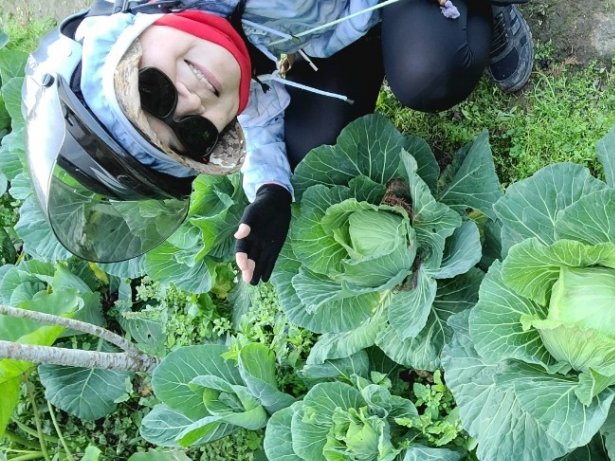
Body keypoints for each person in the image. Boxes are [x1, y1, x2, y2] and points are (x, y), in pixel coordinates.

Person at [21, 0, 534, 282]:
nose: (192, 100)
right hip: (343, 19)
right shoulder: (207, 50)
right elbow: (260, 109)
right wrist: (271, 191)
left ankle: (479, 10)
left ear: (129, 35)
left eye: (151, 90)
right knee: (310, 144)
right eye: (194, 132)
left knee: (429, 72)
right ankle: (396, 30)